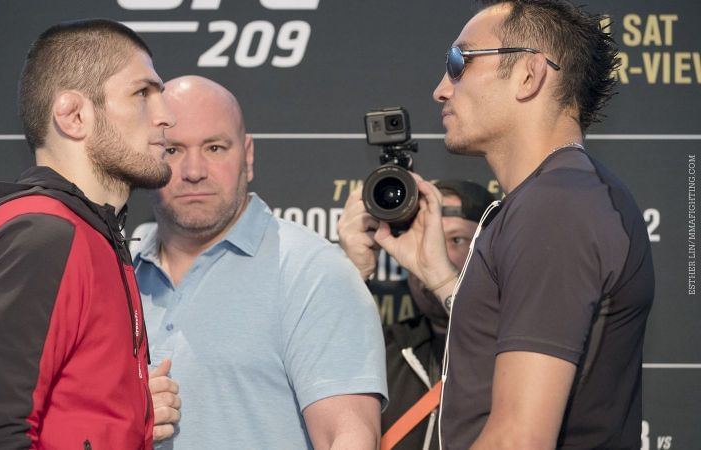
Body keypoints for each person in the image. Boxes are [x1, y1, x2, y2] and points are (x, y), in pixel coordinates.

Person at [374, 1, 655, 448]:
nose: (441, 89)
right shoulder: (558, 198)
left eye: (458, 63)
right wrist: (439, 277)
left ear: (529, 74)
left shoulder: (556, 208)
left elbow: (518, 439)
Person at [0, 19, 181, 449]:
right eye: (143, 94)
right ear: (73, 115)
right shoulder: (43, 238)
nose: (166, 117)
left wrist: (130, 413)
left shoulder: (89, 236)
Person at [135, 75, 388, 449]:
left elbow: (348, 438)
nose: (193, 171)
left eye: (215, 148)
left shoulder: (313, 271)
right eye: (172, 150)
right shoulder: (116, 272)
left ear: (248, 156)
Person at [338, 179, 496, 449]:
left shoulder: (516, 353)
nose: (435, 252)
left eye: (457, 240)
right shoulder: (381, 349)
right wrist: (354, 273)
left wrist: (442, 279)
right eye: (427, 237)